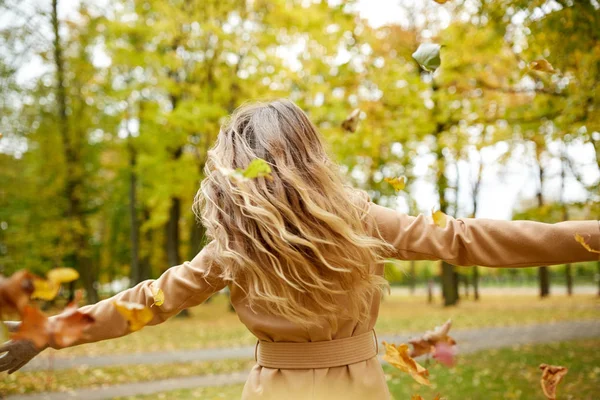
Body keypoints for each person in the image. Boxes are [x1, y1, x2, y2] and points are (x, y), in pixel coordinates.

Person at [1, 99, 598, 399]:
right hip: (360, 387)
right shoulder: (359, 219)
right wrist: (589, 236)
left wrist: (48, 330)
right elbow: (467, 237)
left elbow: (146, 302)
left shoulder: (231, 246)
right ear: (310, 155)